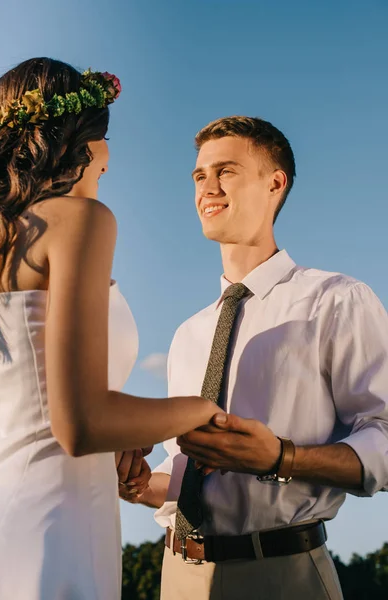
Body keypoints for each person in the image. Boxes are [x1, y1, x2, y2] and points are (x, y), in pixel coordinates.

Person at [121, 116, 388, 599]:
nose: (208, 186)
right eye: (200, 175)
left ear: (274, 183)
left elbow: (385, 439)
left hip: (282, 573)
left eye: (226, 171)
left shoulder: (337, 300)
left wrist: (281, 458)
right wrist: (143, 485)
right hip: (176, 576)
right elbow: (186, 470)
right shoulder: (188, 333)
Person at [0, 58, 222, 600]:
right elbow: (80, 423)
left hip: (9, 501)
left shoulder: (1, 238)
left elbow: (28, 401)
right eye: (103, 136)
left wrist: (129, 432)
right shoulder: (79, 221)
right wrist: (202, 411)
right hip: (51, 522)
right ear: (74, 141)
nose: (109, 160)